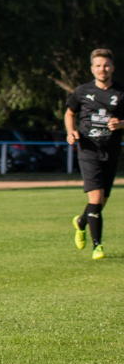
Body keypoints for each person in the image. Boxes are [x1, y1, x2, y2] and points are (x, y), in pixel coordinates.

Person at [66, 48, 124, 260]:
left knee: (101, 202)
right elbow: (70, 113)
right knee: (96, 198)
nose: (102, 69)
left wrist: (121, 124)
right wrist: (70, 131)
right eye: (98, 65)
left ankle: (81, 221)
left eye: (106, 65)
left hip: (111, 151)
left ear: (112, 68)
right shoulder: (82, 91)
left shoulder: (121, 92)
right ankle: (97, 246)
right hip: (88, 150)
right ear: (92, 68)